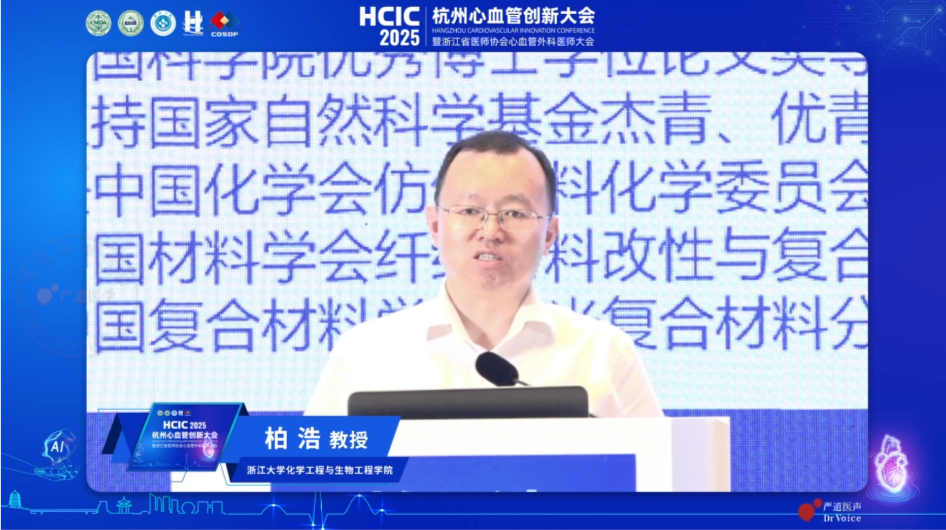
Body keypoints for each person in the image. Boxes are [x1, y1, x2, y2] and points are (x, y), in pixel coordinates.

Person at [304, 130, 662, 417]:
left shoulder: (603, 351)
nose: (491, 231)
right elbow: (312, 477)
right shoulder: (367, 351)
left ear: (550, 235)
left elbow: (661, 472)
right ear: (435, 225)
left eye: (515, 213)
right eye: (469, 210)